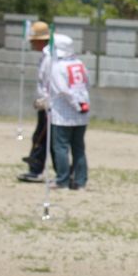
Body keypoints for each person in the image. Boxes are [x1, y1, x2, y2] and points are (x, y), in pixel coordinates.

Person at [48, 35, 90, 190]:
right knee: (78, 147)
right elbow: (87, 84)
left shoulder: (57, 67)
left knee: (61, 147)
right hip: (82, 112)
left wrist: (75, 104)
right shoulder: (80, 64)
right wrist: (81, 104)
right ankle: (80, 181)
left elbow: (62, 90)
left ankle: (62, 180)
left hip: (64, 114)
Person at [16, 22, 53, 184]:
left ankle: (36, 170)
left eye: (33, 40)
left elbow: (51, 82)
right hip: (43, 103)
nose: (31, 43)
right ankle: (36, 168)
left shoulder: (49, 58)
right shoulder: (45, 56)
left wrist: (45, 101)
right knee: (41, 137)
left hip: (48, 105)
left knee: (42, 137)